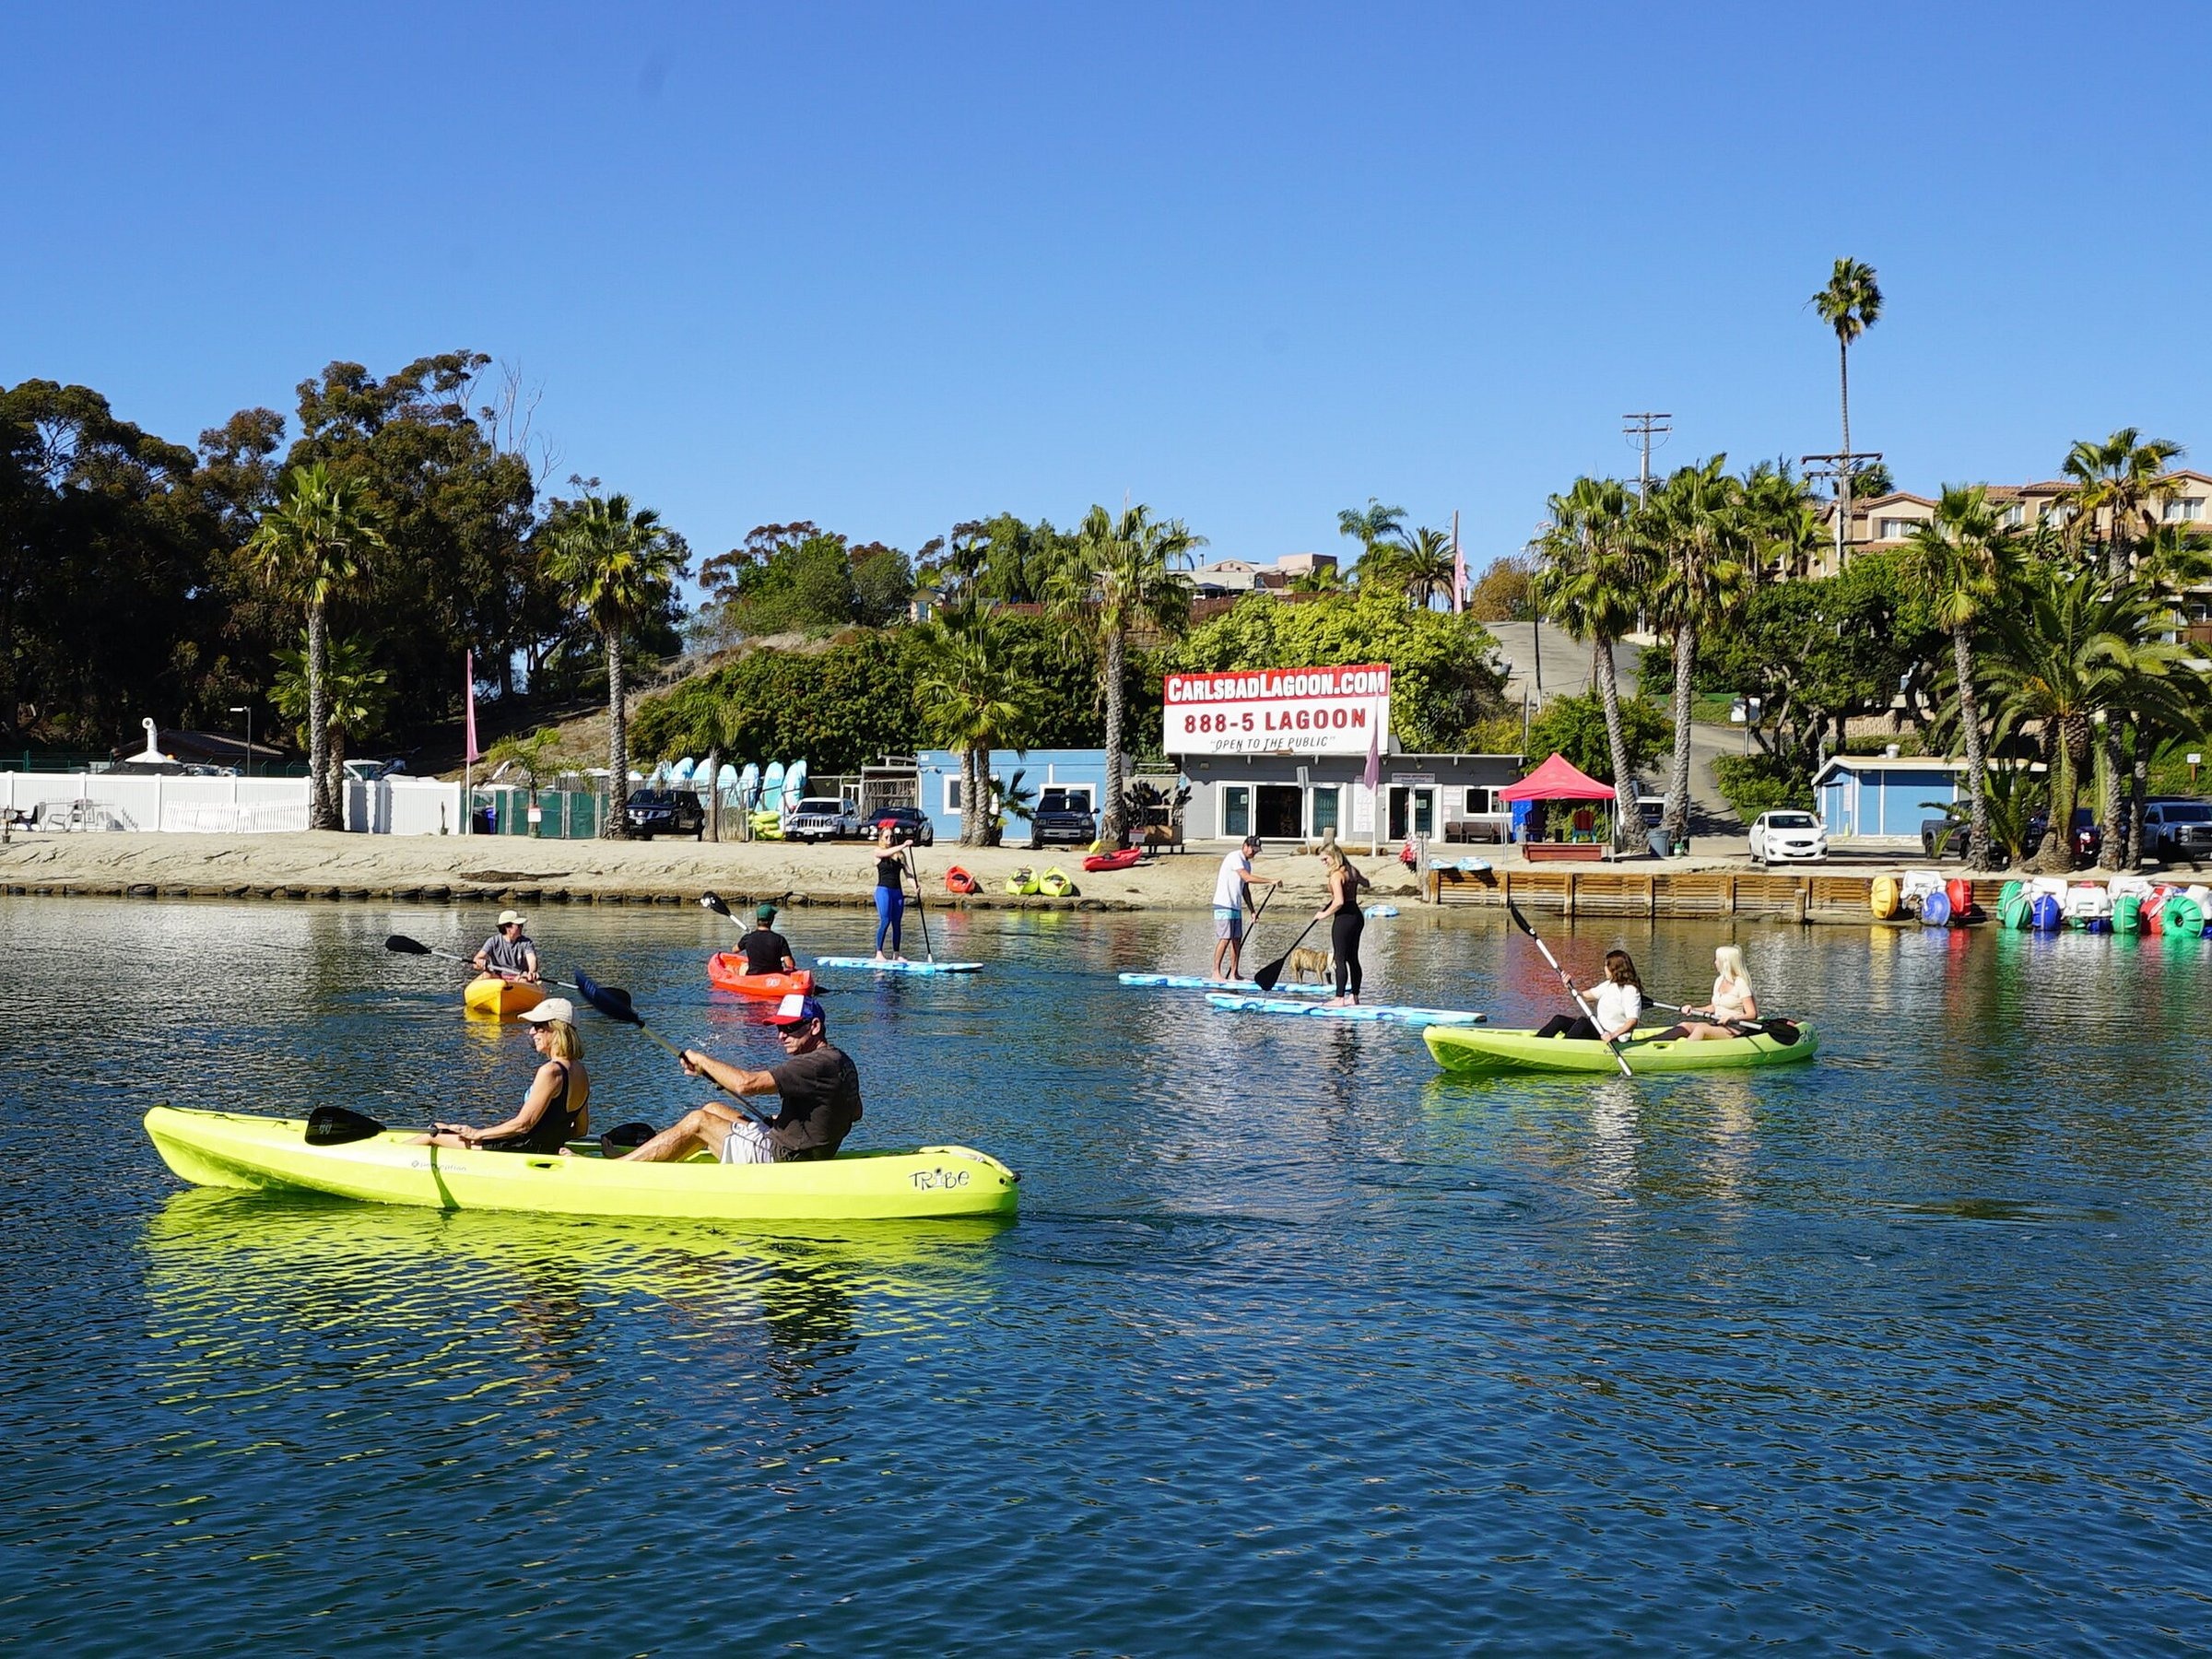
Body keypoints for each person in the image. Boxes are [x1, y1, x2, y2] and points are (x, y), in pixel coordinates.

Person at [619, 994, 862, 1165]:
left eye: (789, 1028)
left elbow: (746, 1084)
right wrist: (792, 1122)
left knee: (698, 1121)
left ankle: (620, 1169)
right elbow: (854, 1112)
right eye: (779, 1028)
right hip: (796, 1144)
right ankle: (670, 1158)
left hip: (784, 1157)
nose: (780, 1036)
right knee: (713, 1108)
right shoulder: (840, 1060)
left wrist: (702, 1060)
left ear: (815, 1026)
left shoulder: (813, 1064)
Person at [414, 999, 590, 1152]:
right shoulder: (581, 1072)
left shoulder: (550, 1072)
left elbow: (523, 1125)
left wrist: (478, 1134)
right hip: (542, 1148)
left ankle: (388, 1159)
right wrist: (551, 1138)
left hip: (520, 1148)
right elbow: (582, 1129)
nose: (531, 1032)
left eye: (537, 1026)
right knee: (445, 1128)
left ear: (555, 1029)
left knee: (435, 1132)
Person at [1535, 948, 1644, 1042]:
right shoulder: (1609, 985)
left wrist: (1613, 1035)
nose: (1604, 969)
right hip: (1599, 1030)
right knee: (1560, 1020)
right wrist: (1569, 986)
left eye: (1606, 965)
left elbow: (1632, 1021)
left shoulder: (1630, 991)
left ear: (1615, 969)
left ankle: (1564, 1048)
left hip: (1614, 1038)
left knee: (1583, 1022)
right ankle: (1536, 1043)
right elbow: (1584, 996)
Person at [1210, 834, 1279, 981]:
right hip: (1223, 904)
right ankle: (1216, 973)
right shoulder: (1235, 857)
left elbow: (1245, 889)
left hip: (1235, 905)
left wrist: (1252, 911)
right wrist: (1270, 881)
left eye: (1256, 851)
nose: (1254, 853)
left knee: (1236, 939)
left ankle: (1234, 974)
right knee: (1225, 938)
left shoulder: (1247, 864)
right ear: (1245, 846)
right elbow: (1246, 877)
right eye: (1252, 850)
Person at [1657, 945, 1759, 1041]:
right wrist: (1693, 1009)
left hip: (1735, 1028)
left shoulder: (1741, 984)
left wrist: (1732, 1017)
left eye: (1717, 960)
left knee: (1701, 1029)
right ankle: (1648, 1043)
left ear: (1726, 963)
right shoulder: (1719, 981)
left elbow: (1752, 1014)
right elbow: (1713, 1007)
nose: (1715, 962)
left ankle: (1682, 1052)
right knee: (1684, 1025)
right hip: (1718, 1024)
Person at [1314, 843, 1371, 1006]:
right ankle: (1354, 996)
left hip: (1344, 918)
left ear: (1335, 856)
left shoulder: (1336, 875)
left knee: (1340, 958)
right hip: (1356, 916)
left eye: (1325, 859)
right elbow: (1366, 883)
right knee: (1353, 958)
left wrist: (1324, 914)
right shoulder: (1352, 870)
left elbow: (1339, 901)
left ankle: (1339, 998)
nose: (1324, 862)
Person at [871, 822, 909, 961]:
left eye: (891, 837)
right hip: (883, 891)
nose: (889, 840)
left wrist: (915, 884)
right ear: (881, 838)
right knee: (885, 920)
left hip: (897, 892)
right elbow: (886, 852)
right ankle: (879, 953)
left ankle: (896, 955)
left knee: (897, 923)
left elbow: (908, 873)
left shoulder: (900, 855)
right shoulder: (877, 852)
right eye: (886, 837)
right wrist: (903, 845)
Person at [472, 909, 540, 982]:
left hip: (519, 977)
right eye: (519, 925)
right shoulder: (493, 941)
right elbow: (476, 961)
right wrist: (480, 962)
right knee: (486, 975)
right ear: (508, 927)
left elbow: (532, 959)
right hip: (498, 976)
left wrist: (532, 971)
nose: (521, 927)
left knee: (524, 980)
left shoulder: (526, 943)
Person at [735, 902, 798, 976]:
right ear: (772, 920)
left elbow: (735, 950)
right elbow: (790, 965)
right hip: (776, 978)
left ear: (757, 920)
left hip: (754, 976)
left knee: (744, 966)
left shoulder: (748, 938)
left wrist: (745, 940)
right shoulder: (780, 939)